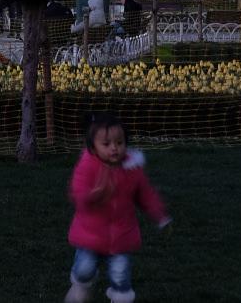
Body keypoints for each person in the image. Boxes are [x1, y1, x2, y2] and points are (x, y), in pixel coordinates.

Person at [65, 113, 171, 303]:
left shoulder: (132, 169)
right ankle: (81, 288)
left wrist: (159, 214)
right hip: (90, 234)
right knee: (84, 269)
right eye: (106, 144)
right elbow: (77, 192)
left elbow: (145, 194)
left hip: (121, 236)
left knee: (120, 275)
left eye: (119, 142)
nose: (114, 148)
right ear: (93, 147)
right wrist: (92, 196)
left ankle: (119, 297)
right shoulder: (88, 166)